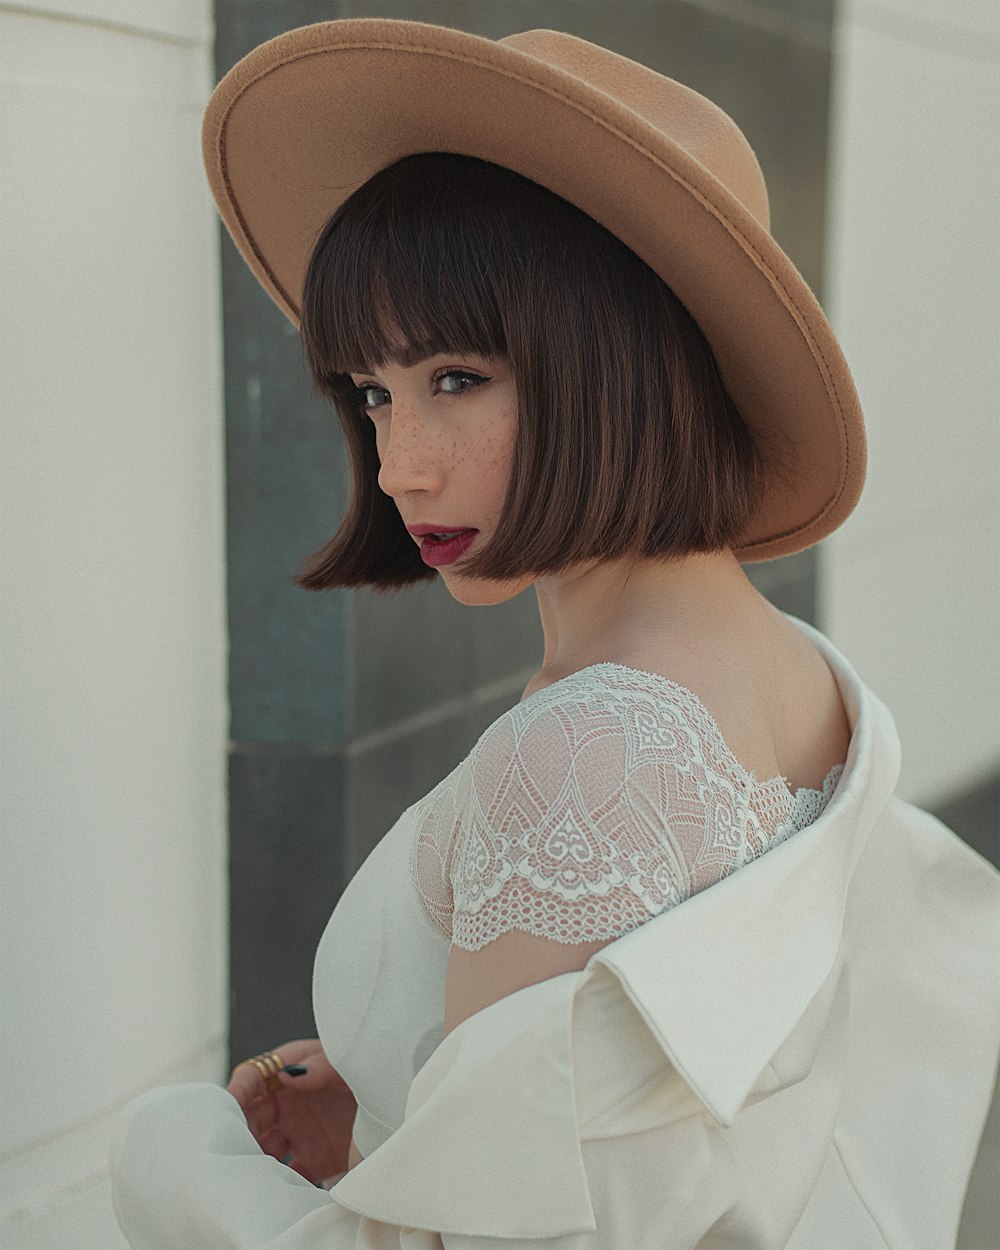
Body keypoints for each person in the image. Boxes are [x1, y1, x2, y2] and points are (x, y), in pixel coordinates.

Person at [110, 18, 1000, 1249]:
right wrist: (398, 1120)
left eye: (457, 379)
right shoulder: (801, 675)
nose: (400, 466)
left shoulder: (590, 753)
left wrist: (177, 1158)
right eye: (371, 391)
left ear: (620, 359)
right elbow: (655, 1124)